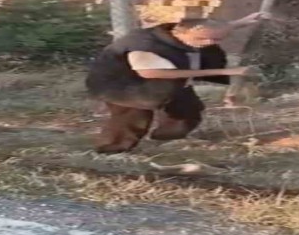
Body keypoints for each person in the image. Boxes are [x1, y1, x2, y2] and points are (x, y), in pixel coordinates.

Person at [86, 13, 266, 153]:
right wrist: (224, 72)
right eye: (203, 39)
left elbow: (211, 29)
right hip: (124, 85)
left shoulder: (183, 33)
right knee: (133, 119)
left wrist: (241, 22)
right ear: (182, 32)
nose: (210, 43)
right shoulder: (145, 44)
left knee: (187, 111)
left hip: (168, 82)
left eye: (217, 39)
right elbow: (150, 72)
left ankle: (166, 140)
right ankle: (112, 151)